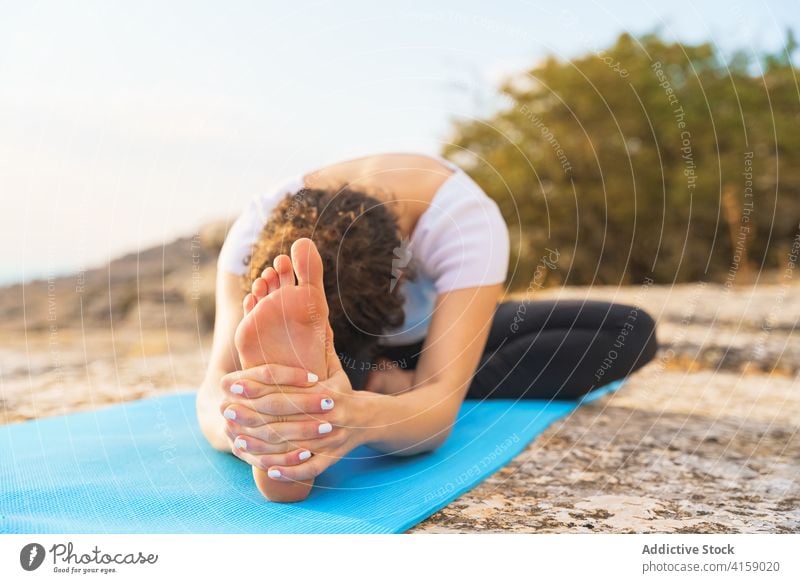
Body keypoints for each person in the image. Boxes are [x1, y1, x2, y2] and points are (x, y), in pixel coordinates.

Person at [196, 152, 658, 502]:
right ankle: (310, 396)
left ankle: (350, 394)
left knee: (629, 332)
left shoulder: (462, 219)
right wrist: (246, 428)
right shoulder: (255, 231)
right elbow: (217, 382)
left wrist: (359, 414)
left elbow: (435, 425)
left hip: (431, 334)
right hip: (340, 355)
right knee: (294, 386)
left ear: (401, 269)